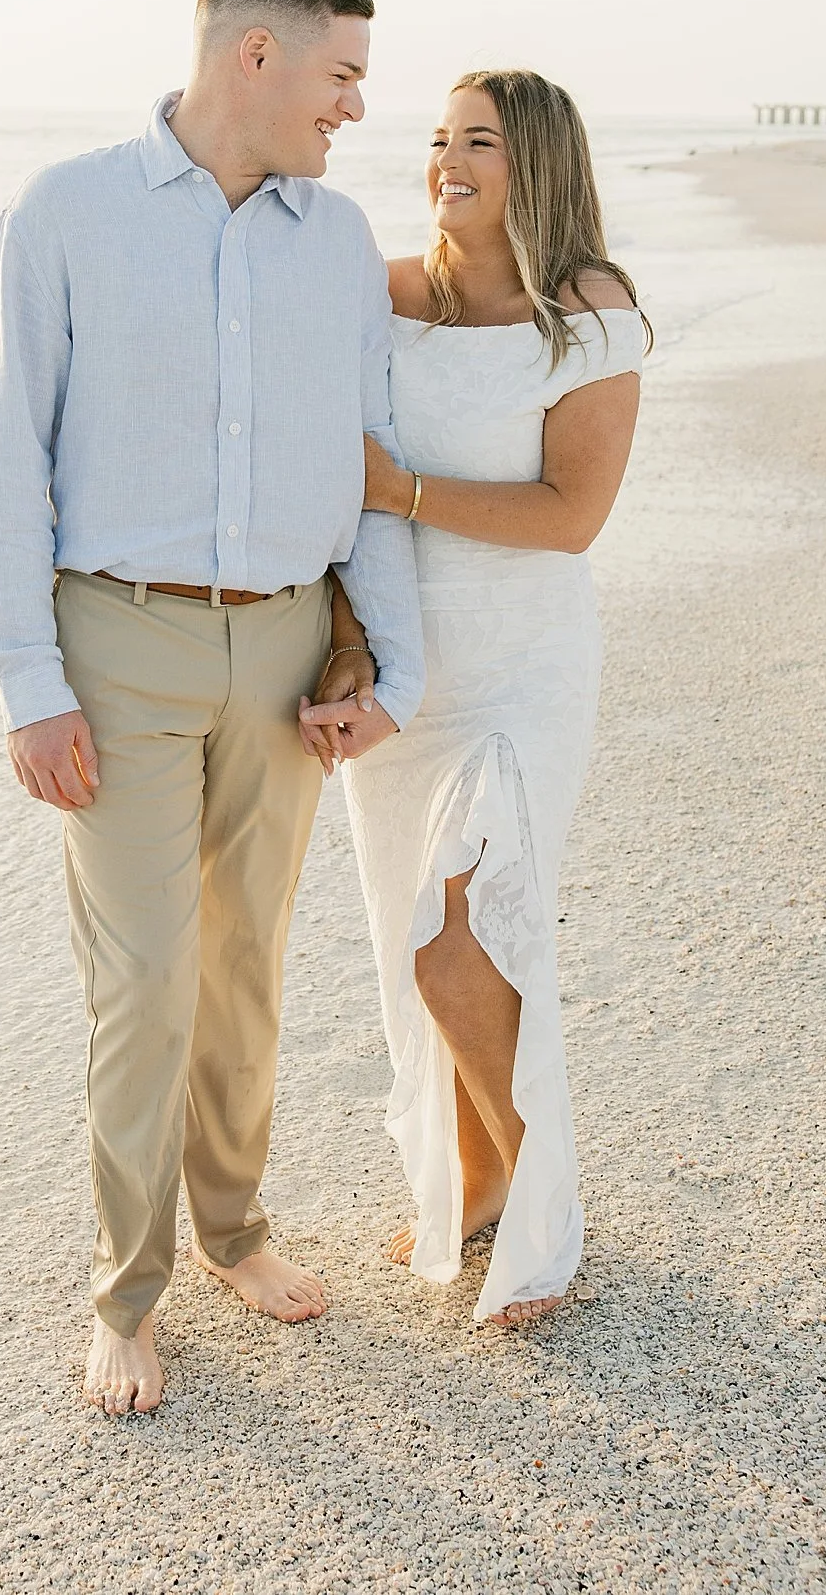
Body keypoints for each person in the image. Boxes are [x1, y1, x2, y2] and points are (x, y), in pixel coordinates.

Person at [0, 0, 424, 1415]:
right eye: (341, 73)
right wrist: (28, 680)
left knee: (245, 970)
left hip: (289, 645)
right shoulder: (67, 214)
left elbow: (368, 475)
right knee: (149, 976)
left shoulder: (337, 240)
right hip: (118, 647)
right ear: (257, 57)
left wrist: (388, 660)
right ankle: (126, 1290)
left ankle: (234, 1230)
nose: (355, 105)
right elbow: (5, 465)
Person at [301, 70, 644, 1328]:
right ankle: (491, 1174)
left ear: (537, 163)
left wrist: (411, 495)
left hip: (525, 666)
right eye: (439, 139)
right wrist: (347, 646)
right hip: (406, 666)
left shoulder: (590, 314)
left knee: (466, 935)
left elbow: (572, 517)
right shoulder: (385, 297)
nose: (447, 160)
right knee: (416, 946)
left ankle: (542, 1198)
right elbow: (330, 487)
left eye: (479, 142)